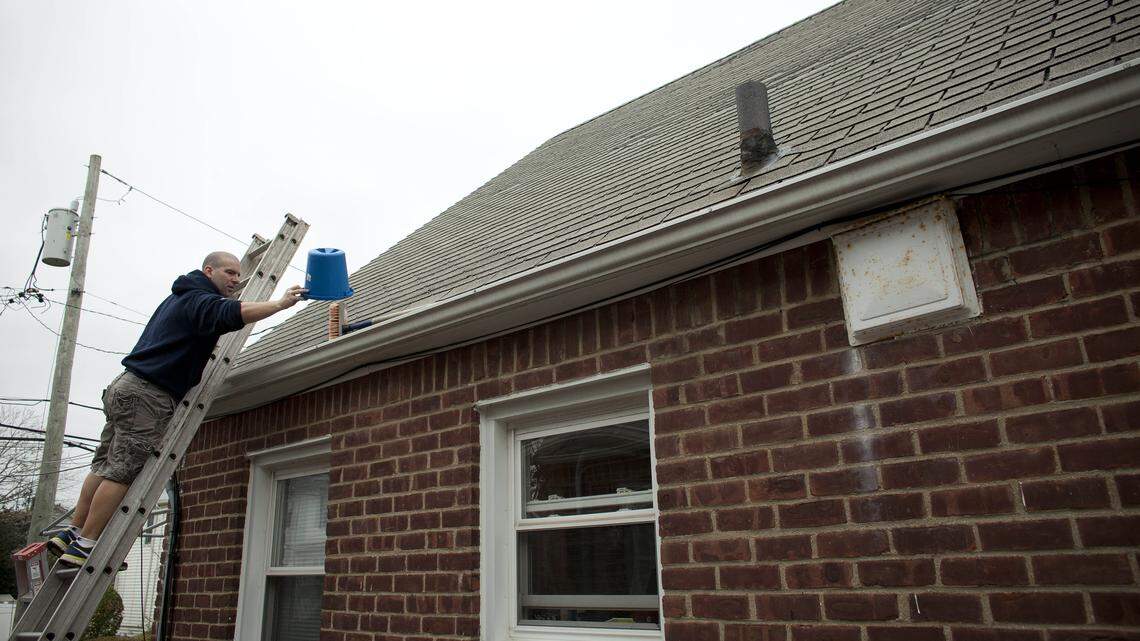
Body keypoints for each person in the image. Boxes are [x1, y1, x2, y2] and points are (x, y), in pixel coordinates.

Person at [48, 251, 307, 568]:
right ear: (208, 270)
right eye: (229, 273)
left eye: (239, 275)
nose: (236, 280)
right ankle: (86, 543)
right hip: (148, 394)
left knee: (103, 464)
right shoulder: (198, 299)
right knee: (123, 470)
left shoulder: (181, 295)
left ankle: (71, 531)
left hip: (126, 386)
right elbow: (231, 313)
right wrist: (279, 304)